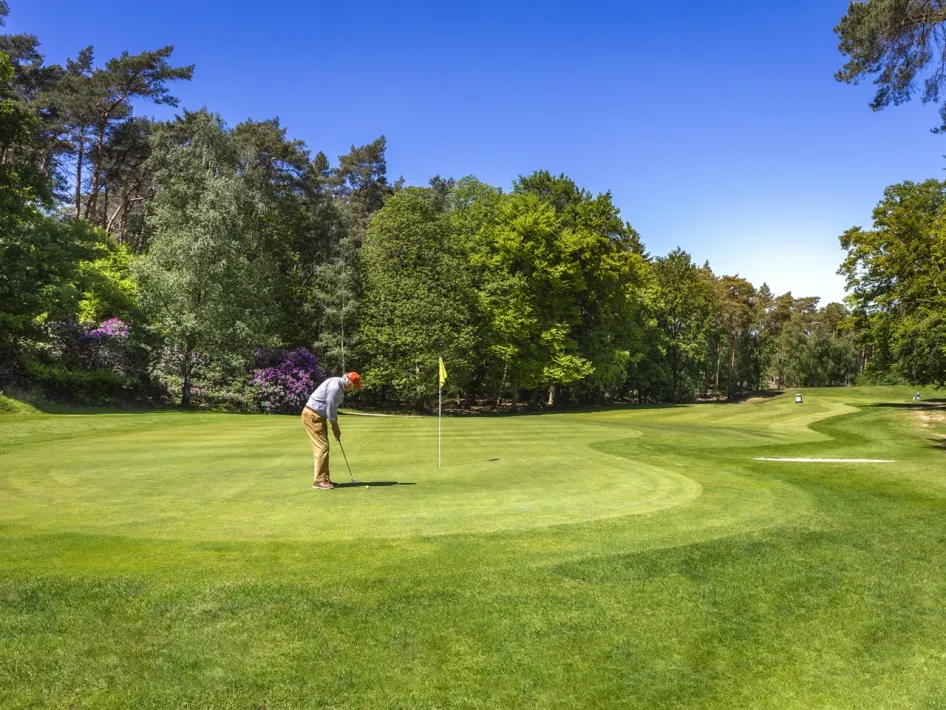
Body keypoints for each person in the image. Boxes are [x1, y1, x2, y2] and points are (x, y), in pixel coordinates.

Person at [301, 372, 361, 489]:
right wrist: (335, 427)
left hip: (317, 416)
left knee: (324, 446)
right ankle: (319, 481)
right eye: (354, 385)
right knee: (322, 447)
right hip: (313, 415)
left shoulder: (337, 384)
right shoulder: (335, 387)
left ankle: (325, 479)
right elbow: (330, 408)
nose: (353, 388)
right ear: (349, 382)